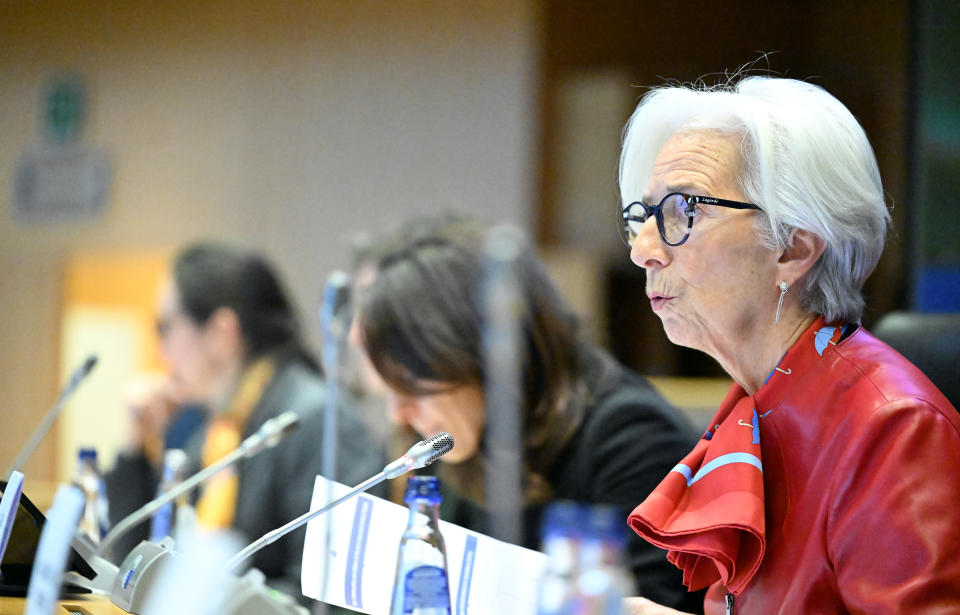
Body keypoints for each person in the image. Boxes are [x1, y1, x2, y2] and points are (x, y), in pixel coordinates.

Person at [615, 75, 960, 614]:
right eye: (643, 216)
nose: (643, 250)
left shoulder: (894, 429)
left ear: (793, 248)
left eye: (684, 211)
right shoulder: (760, 403)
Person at [350, 215, 703, 612]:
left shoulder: (631, 441)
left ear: (476, 355)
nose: (398, 414)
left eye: (413, 388)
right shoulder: (453, 441)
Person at [105, 240, 383, 597]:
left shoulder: (317, 423)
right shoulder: (224, 426)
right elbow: (140, 575)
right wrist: (137, 445)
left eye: (164, 327)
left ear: (221, 333)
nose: (161, 349)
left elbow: (324, 596)